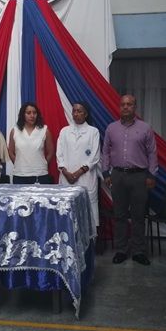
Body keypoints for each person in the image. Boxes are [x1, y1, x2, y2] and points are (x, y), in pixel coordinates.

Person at [102, 94, 158, 266]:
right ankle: (121, 250)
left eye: (129, 104)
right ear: (119, 107)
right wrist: (106, 173)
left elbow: (152, 153)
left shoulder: (145, 128)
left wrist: (151, 175)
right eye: (123, 104)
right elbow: (105, 152)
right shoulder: (111, 128)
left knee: (138, 216)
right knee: (119, 215)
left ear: (135, 107)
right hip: (117, 176)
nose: (126, 107)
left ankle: (138, 251)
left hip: (139, 176)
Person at [57, 102, 101, 238]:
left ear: (86, 114)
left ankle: (89, 243)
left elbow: (94, 156)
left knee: (88, 211)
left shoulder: (93, 132)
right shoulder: (64, 131)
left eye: (79, 111)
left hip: (85, 177)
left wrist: (77, 173)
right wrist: (66, 172)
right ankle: (68, 240)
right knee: (67, 210)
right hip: (66, 177)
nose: (76, 113)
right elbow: (59, 154)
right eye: (74, 111)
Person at [8, 102, 54, 184]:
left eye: (34, 113)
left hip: (40, 175)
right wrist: (19, 163)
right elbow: (11, 152)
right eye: (28, 113)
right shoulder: (15, 130)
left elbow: (51, 152)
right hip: (20, 175)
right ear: (23, 115)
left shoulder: (44, 130)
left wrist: (43, 164)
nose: (32, 116)